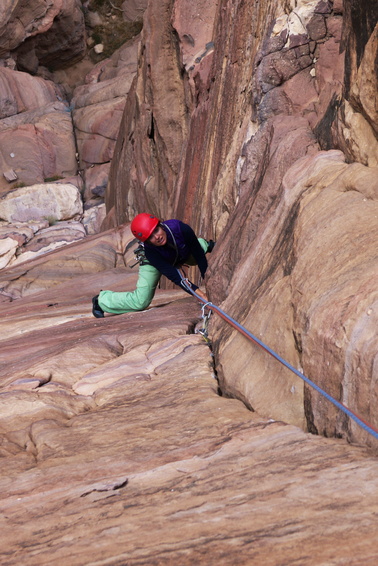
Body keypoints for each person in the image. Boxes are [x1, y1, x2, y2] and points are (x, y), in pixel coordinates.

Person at [92, 213, 214, 318]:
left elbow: (199, 256)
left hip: (178, 249)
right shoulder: (151, 253)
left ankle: (206, 244)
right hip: (154, 262)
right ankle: (102, 301)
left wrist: (210, 286)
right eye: (150, 237)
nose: (157, 237)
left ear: (161, 225)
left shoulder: (179, 228)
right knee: (140, 301)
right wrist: (201, 296)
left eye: (156, 230)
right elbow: (177, 277)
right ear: (147, 241)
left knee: (198, 249)